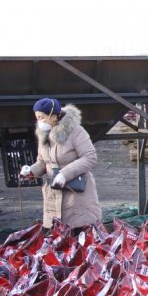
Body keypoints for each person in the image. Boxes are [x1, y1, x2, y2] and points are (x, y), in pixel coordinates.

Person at [18, 98, 101, 231]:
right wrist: (31, 171)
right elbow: (42, 161)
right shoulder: (43, 133)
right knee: (56, 238)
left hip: (77, 194)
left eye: (42, 117)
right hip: (53, 195)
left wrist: (64, 174)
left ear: (54, 115)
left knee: (79, 236)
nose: (40, 121)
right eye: (37, 118)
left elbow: (90, 157)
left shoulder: (76, 131)